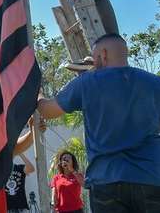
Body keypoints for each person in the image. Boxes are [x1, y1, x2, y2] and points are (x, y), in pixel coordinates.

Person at [37, 33, 160, 212]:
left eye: (94, 57)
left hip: (106, 182)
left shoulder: (87, 82)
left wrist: (38, 94)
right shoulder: (154, 83)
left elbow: (48, 111)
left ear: (103, 54)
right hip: (152, 178)